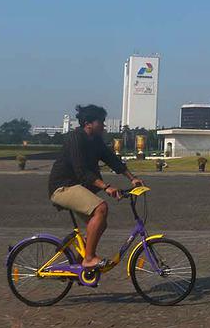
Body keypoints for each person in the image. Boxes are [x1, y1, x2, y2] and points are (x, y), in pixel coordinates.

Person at [47, 104, 145, 269]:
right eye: (101, 122)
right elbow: (82, 172)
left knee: (100, 223)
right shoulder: (75, 138)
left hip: (78, 187)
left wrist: (132, 178)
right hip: (63, 187)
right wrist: (106, 187)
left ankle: (79, 264)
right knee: (101, 208)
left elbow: (112, 160)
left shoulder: (96, 140)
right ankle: (89, 258)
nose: (104, 126)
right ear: (88, 123)